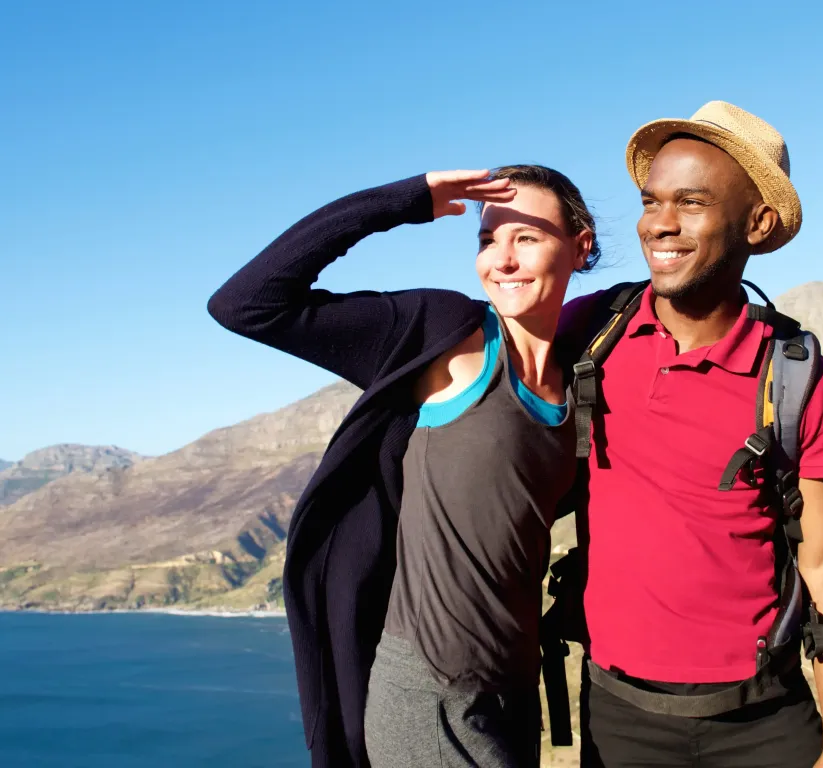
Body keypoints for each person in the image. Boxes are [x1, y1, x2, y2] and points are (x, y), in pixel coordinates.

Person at [207, 164, 598, 767]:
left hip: (514, 696)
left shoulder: (580, 384)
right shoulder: (446, 335)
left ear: (581, 244)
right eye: (488, 239)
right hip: (428, 697)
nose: (502, 259)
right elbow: (245, 304)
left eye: (526, 237)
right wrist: (403, 201)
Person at [560, 101, 823, 767]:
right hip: (617, 721)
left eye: (690, 203)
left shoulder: (802, 384)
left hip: (764, 725)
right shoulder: (589, 335)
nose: (659, 224)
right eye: (650, 201)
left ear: (756, 222)